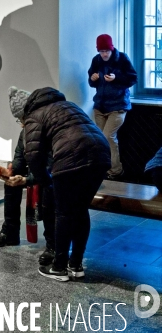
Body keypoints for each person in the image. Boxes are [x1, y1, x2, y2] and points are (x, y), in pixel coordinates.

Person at [24, 87, 111, 282]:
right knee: (80, 210)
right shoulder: (69, 106)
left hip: (71, 157)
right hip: (101, 154)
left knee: (63, 212)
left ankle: (59, 267)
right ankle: (76, 264)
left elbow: (32, 155)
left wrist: (45, 181)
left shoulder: (35, 116)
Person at [0, 87, 55, 267]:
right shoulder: (25, 132)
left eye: (21, 119)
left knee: (49, 188)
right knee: (11, 182)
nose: (21, 124)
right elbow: (19, 158)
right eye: (19, 120)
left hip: (55, 174)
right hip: (40, 171)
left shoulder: (48, 129)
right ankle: (10, 231)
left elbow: (50, 168)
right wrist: (10, 173)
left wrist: (27, 180)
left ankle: (52, 244)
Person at [88, 34, 137, 180]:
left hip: (118, 105)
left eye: (106, 51)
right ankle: (104, 169)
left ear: (112, 48)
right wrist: (93, 79)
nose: (104, 54)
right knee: (99, 140)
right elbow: (91, 81)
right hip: (100, 106)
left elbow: (133, 78)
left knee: (108, 136)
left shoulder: (122, 59)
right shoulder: (96, 60)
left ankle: (116, 170)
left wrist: (117, 78)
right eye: (101, 51)